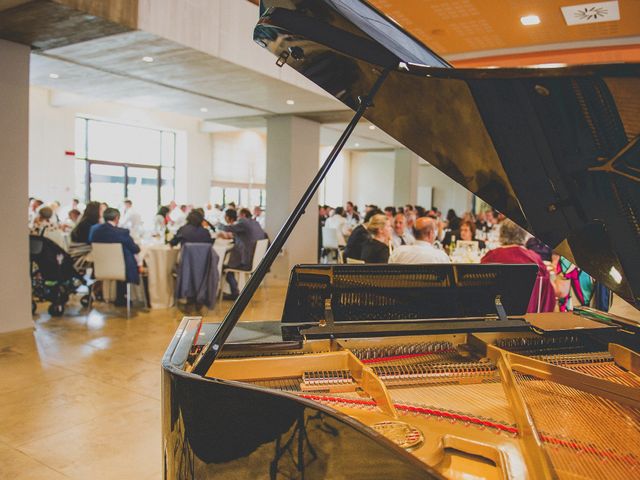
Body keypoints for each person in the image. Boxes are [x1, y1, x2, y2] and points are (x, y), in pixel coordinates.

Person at [481, 219, 556, 313]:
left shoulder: (490, 257)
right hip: (529, 319)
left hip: (495, 317)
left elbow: (480, 292)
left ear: (501, 234)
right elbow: (548, 297)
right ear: (524, 235)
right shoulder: (535, 259)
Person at [89, 207, 141, 306]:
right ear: (117, 218)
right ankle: (123, 297)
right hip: (121, 269)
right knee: (127, 259)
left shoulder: (94, 230)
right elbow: (135, 249)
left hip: (99, 267)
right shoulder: (122, 232)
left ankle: (113, 296)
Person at [217, 208, 267, 300]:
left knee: (224, 267)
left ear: (243, 215)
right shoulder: (255, 223)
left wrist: (217, 224)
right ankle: (235, 292)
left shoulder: (243, 222)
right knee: (229, 261)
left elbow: (227, 228)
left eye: (238, 215)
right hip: (255, 260)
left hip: (246, 261)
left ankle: (234, 293)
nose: (237, 217)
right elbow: (243, 236)